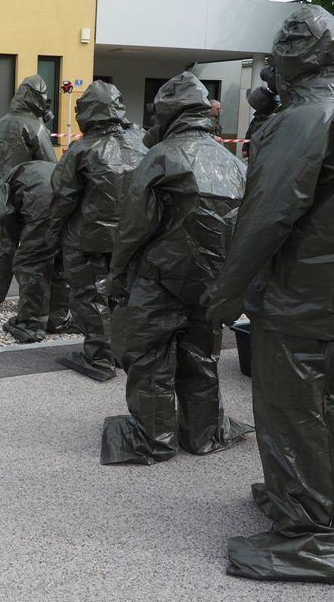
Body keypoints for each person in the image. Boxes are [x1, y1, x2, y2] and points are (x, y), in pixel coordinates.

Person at [205, 5, 334, 586]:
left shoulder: (305, 121)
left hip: (297, 299)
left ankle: (306, 537)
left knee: (290, 415)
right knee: (326, 409)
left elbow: (265, 218)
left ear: (294, 55)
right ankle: (310, 505)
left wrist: (223, 297)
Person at [101, 72, 252, 465]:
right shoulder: (234, 163)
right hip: (211, 283)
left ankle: (154, 438)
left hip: (160, 277)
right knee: (200, 358)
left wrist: (116, 275)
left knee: (149, 357)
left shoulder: (161, 157)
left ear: (167, 112)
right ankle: (203, 434)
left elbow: (134, 227)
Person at [46, 81, 147, 381]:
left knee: (89, 295)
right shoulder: (142, 142)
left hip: (87, 237)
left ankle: (98, 356)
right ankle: (121, 351)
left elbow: (63, 198)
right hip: (132, 237)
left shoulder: (82, 149)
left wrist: (52, 234)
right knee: (122, 294)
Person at [0, 76, 56, 312]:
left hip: (3, 194)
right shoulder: (35, 127)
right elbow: (50, 166)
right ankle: (31, 305)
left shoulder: (0, 124)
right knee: (33, 253)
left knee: (2, 246)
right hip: (32, 196)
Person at [0, 160, 70, 343]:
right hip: (65, 196)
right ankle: (56, 320)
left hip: (41, 202)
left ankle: (30, 325)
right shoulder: (16, 179)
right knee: (58, 261)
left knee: (30, 264)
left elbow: (3, 252)